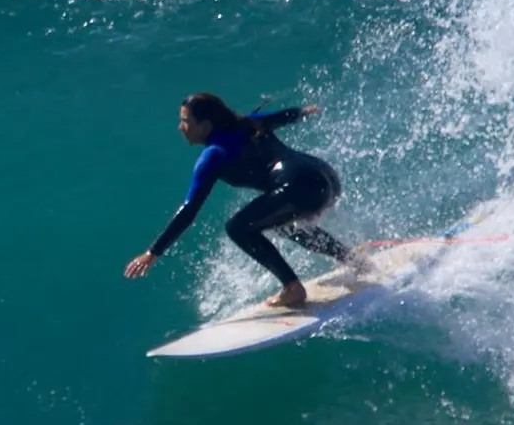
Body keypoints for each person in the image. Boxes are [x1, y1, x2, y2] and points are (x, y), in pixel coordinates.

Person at [123, 91, 353, 308]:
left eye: (185, 121)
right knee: (280, 223)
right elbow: (282, 116)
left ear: (205, 126)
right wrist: (303, 111)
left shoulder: (213, 155)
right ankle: (350, 258)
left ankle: (292, 288)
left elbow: (189, 210)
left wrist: (153, 252)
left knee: (238, 228)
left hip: (301, 188)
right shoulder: (248, 123)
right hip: (326, 179)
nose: (180, 127)